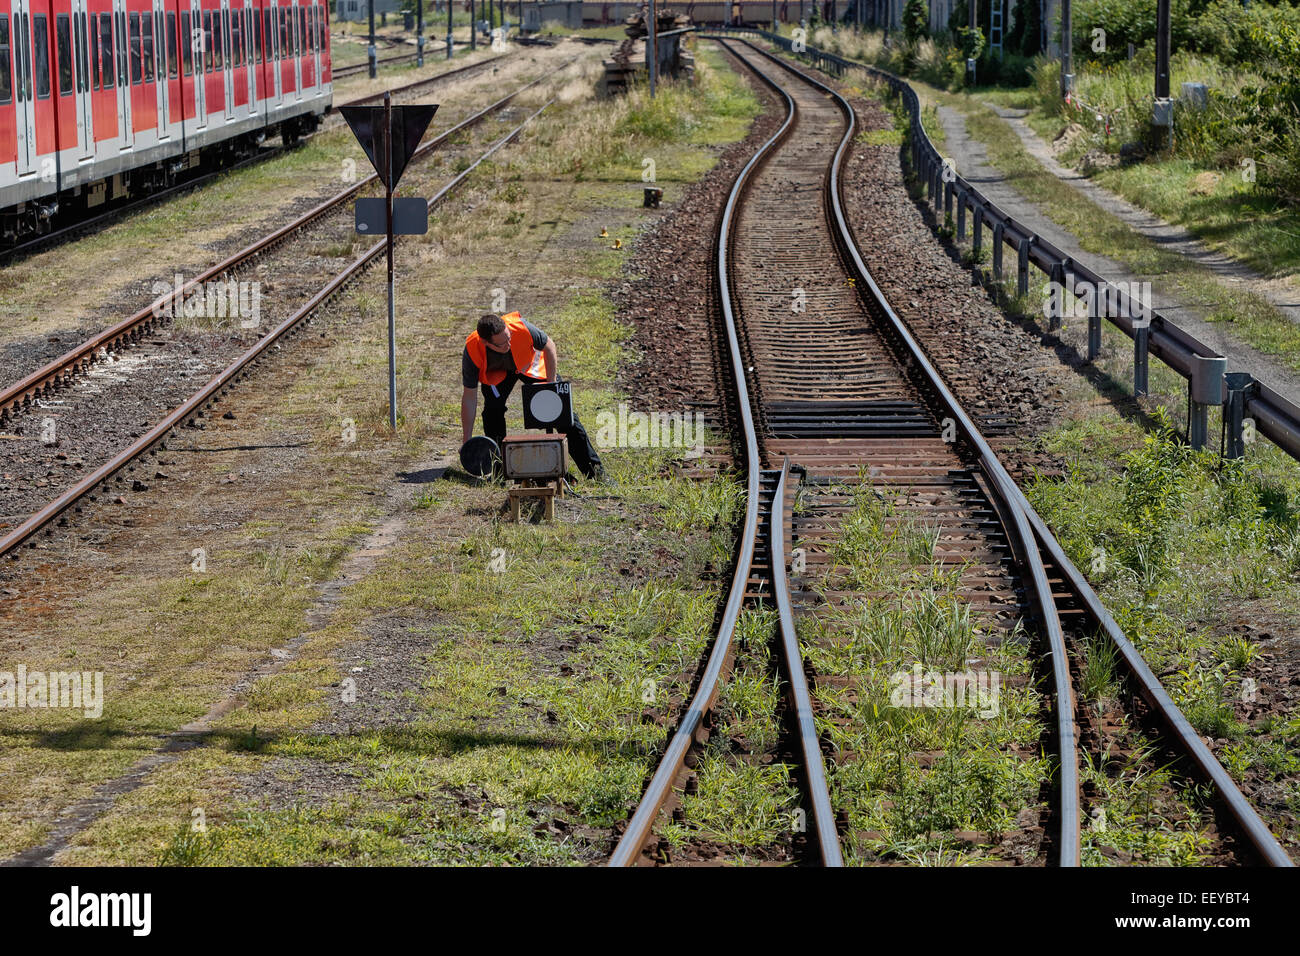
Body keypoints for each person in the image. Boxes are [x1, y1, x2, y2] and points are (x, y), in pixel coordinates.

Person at [461, 312, 604, 479]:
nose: (508, 343)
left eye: (509, 338)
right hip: (496, 375)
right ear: (486, 343)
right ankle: (500, 471)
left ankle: (595, 472)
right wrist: (467, 441)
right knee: (492, 413)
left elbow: (549, 345)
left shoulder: (521, 327)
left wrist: (551, 388)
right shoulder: (472, 350)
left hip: (528, 365)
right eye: (502, 344)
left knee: (563, 412)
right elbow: (469, 398)